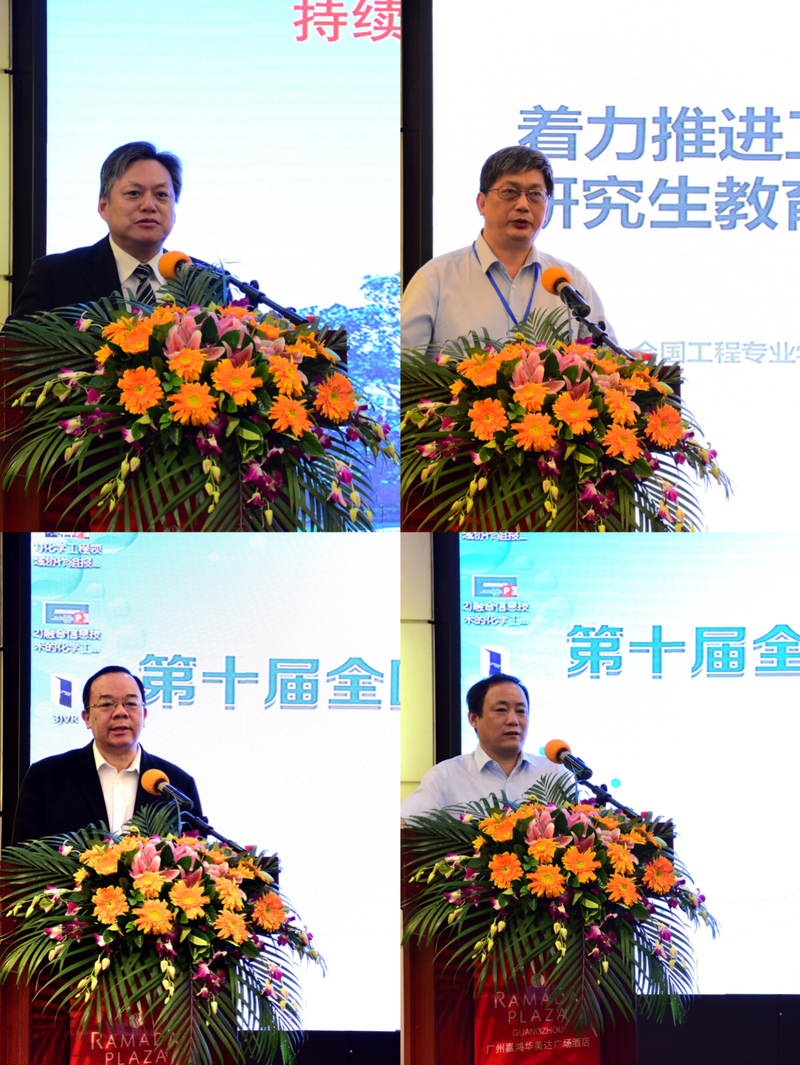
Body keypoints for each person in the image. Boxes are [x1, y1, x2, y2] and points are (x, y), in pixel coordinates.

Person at [401, 146, 614, 356]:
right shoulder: (436, 278)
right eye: (510, 192)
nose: (523, 205)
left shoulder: (571, 283)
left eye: (535, 194)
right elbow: (404, 368)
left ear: (547, 210)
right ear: (482, 203)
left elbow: (609, 363)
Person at [11, 665, 202, 843]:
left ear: (144, 715)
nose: (120, 712)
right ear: (87, 718)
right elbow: (23, 858)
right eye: (107, 704)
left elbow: (196, 856)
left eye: (131, 703)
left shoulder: (177, 784)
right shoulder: (46, 777)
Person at [11, 141, 182, 318]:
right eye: (133, 193)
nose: (149, 205)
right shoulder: (55, 276)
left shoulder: (198, 279)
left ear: (174, 211)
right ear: (103, 206)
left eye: (161, 194)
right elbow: (19, 336)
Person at [401, 673, 569, 819]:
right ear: (474, 719)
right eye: (501, 710)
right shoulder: (445, 777)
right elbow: (405, 829)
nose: (513, 720)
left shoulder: (554, 773)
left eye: (520, 711)